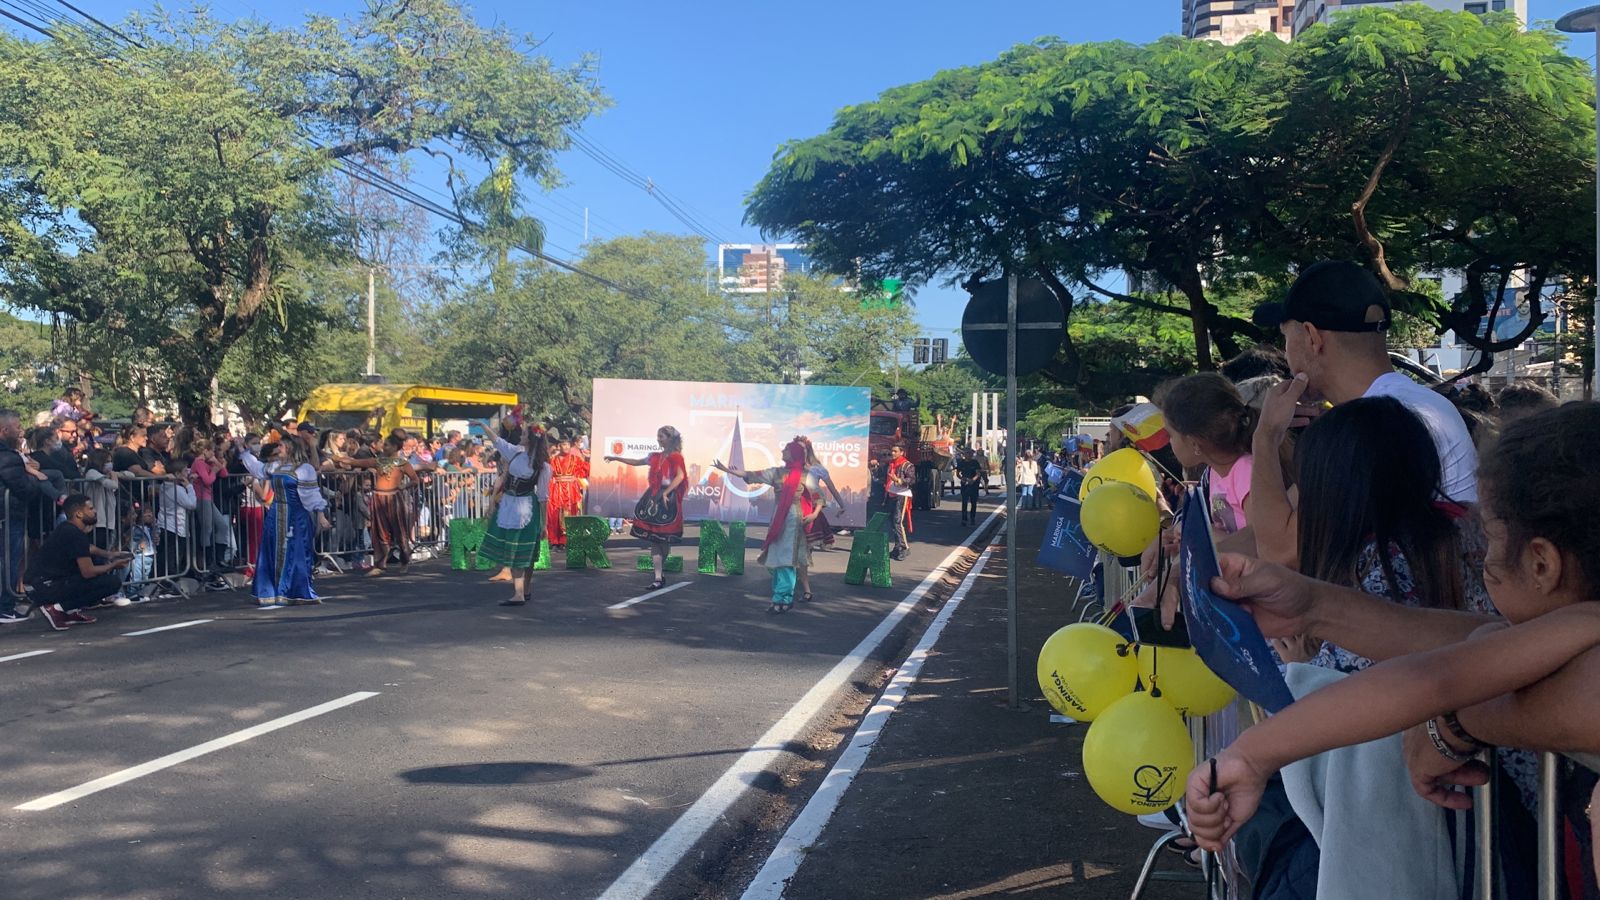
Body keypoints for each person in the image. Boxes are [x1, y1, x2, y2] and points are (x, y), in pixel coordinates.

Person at [1184, 403, 1600, 885]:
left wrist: (1251, 755)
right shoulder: (1568, 631)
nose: (1479, 554)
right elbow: (1466, 653)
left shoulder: (1577, 629)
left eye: (1488, 538)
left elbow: (1437, 677)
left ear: (1542, 564)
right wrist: (1313, 606)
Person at [1252, 261, 1477, 504]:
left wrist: (1265, 436)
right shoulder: (1415, 404)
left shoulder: (1368, 426)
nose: (1286, 356)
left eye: (1285, 339)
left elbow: (1277, 542)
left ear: (1312, 337)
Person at [1293, 397, 1471, 670]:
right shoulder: (1468, 531)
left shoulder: (1374, 573)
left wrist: (1299, 666)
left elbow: (1349, 684)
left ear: (1329, 490)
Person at [714, 439, 820, 611]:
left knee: (786, 558)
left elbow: (819, 497)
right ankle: (780, 597)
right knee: (778, 556)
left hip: (794, 518)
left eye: (786, 449)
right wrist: (727, 470)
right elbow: (753, 474)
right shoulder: (776, 473)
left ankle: (784, 599)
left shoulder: (806, 475)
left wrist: (814, 514)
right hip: (778, 518)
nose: (782, 451)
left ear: (793, 453)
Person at [1157, 373, 1261, 535]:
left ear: (1194, 442)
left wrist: (1203, 534)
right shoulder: (1216, 471)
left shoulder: (1246, 471)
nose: (1169, 442)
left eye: (1170, 435)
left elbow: (1261, 539)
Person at [239, 435, 329, 607]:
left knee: (295, 552)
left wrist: (320, 514)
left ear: (290, 448)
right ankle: (271, 591)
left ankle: (295, 591)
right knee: (272, 550)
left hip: (295, 516)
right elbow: (257, 469)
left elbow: (312, 495)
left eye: (281, 446)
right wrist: (244, 452)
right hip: (275, 514)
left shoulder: (305, 469)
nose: (278, 449)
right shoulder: (275, 466)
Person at [473, 420, 551, 606]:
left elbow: (542, 496)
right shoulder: (516, 452)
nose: (521, 436)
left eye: (524, 434)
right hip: (509, 504)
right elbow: (497, 440)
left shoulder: (543, 466)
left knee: (525, 550)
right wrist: (483, 426)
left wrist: (545, 523)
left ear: (531, 440)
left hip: (526, 507)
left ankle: (522, 591)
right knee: (514, 547)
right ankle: (520, 592)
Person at [28, 495, 131, 630]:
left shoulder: (67, 529)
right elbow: (88, 572)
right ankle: (57, 608)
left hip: (38, 583)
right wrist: (113, 565)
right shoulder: (74, 534)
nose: (95, 511)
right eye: (91, 508)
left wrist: (110, 554)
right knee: (111, 582)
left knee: (88, 567)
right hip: (43, 586)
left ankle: (68, 611)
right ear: (79, 513)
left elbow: (87, 548)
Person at [607, 426, 686, 590]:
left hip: (668, 499)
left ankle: (660, 573)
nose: (658, 439)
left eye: (661, 436)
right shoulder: (655, 456)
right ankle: (658, 577)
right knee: (655, 539)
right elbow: (637, 462)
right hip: (654, 497)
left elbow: (680, 476)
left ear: (670, 438)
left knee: (664, 539)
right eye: (658, 436)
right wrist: (617, 458)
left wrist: (668, 493)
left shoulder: (676, 457)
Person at [339, 434, 419, 577]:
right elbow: (357, 463)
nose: (384, 447)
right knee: (379, 533)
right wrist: (338, 458)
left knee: (400, 532)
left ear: (395, 447)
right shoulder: (378, 461)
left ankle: (405, 560)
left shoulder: (403, 463)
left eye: (387, 445)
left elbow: (414, 480)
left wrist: (404, 486)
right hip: (378, 498)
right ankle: (380, 565)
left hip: (394, 499)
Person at [0, 409, 47, 623]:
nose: (21, 431)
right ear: (4, 430)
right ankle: (5, 606)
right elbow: (23, 488)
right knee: (8, 560)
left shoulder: (11, 455)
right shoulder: (7, 457)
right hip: (9, 515)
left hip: (10, 514)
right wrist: (37, 479)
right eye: (18, 427)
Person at [797, 436, 846, 551]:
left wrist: (842, 505)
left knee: (806, 546)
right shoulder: (792, 467)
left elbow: (832, 488)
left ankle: (802, 567)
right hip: (795, 506)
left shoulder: (817, 468)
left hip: (811, 509)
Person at [156, 455, 198, 582]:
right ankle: (169, 583)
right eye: (185, 471)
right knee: (173, 557)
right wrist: (190, 487)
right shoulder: (176, 489)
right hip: (174, 526)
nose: (188, 472)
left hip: (168, 524)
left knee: (169, 555)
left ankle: (168, 581)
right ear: (177, 474)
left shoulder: (165, 486)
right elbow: (191, 504)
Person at [547, 437, 590, 551]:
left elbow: (585, 470)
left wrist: (590, 459)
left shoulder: (576, 459)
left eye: (567, 445)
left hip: (571, 490)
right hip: (556, 490)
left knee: (571, 513)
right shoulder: (553, 460)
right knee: (555, 515)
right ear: (558, 446)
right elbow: (547, 474)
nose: (565, 447)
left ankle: (567, 540)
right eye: (563, 445)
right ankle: (555, 541)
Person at [884, 444, 914, 559]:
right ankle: (897, 548)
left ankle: (904, 547)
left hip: (902, 495)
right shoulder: (891, 464)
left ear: (902, 452)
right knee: (892, 522)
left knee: (898, 521)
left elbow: (911, 480)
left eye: (895, 451)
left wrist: (899, 480)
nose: (892, 453)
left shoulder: (907, 465)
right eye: (892, 451)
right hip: (891, 494)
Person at [954, 446, 981, 528]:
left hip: (973, 485)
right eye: (966, 453)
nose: (968, 455)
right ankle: (964, 519)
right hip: (965, 485)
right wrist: (962, 479)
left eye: (969, 453)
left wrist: (973, 480)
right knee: (964, 502)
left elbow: (978, 473)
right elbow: (958, 473)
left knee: (973, 502)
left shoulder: (975, 462)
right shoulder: (961, 463)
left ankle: (972, 518)